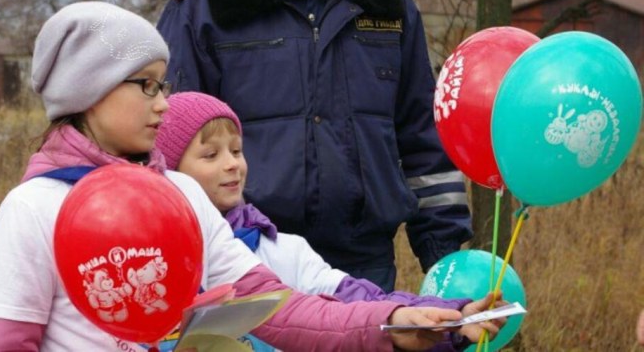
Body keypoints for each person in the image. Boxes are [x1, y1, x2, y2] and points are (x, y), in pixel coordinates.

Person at [0, 1, 501, 352]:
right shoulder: (33, 209)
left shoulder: (180, 193)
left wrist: (391, 325)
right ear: (87, 91)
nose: (163, 104)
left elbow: (274, 308)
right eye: (147, 86)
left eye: (164, 86)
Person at [157, 0, 471, 291]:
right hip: (249, 259)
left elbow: (424, 138)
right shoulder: (203, 9)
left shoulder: (385, 1)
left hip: (365, 263)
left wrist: (445, 262)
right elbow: (166, 151)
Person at [156, 90, 504, 333]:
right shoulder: (147, 258)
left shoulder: (280, 249)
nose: (233, 165)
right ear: (169, 170)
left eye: (236, 150)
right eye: (211, 155)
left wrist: (446, 315)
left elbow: (356, 298)